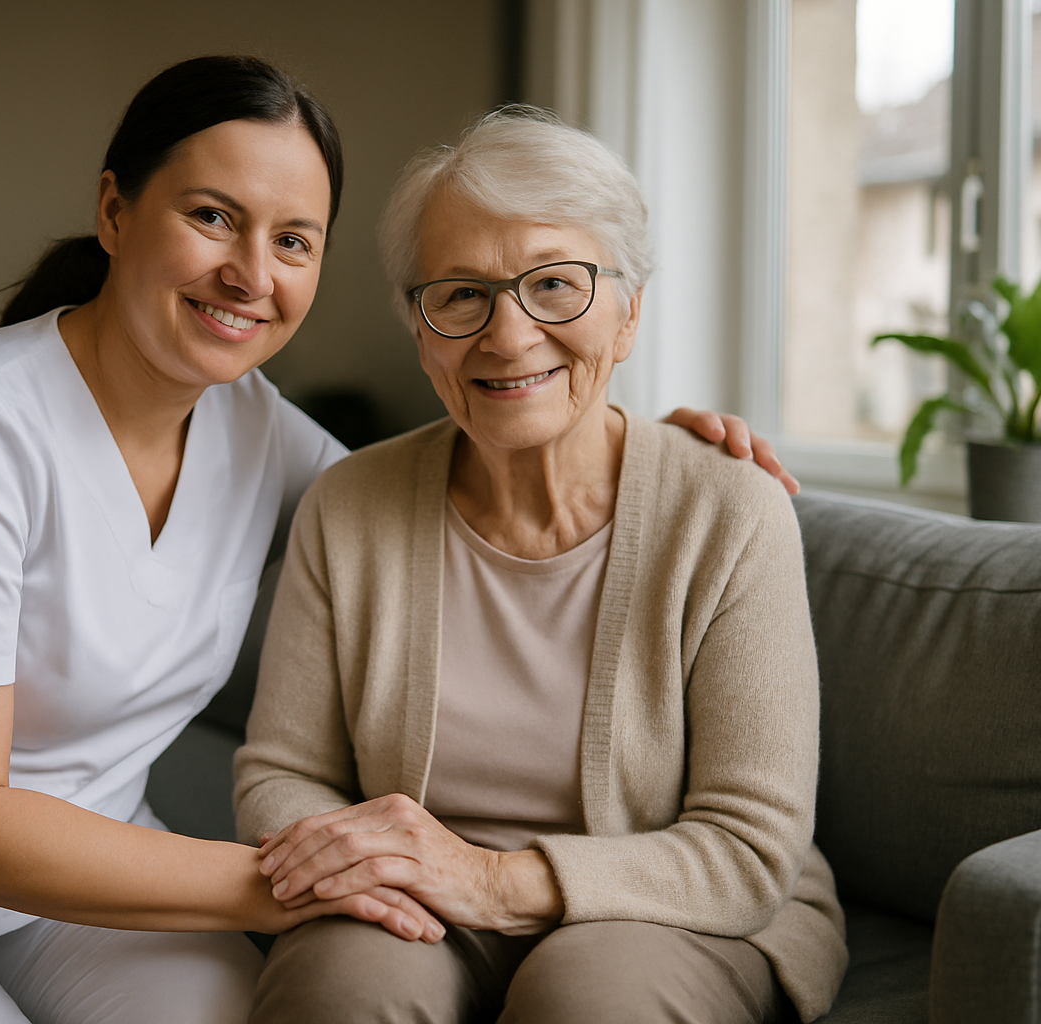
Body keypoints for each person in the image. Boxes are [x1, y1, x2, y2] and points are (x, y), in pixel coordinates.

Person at [0, 57, 791, 1024]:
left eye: (293, 239)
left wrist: (650, 444)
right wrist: (297, 879)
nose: (252, 273)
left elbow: (452, 471)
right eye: (211, 216)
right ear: (115, 211)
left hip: (82, 892)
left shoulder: (268, 439)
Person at [234, 107, 848, 1024]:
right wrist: (389, 870)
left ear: (629, 311)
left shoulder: (728, 508)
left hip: (671, 913)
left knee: (589, 999)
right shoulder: (349, 504)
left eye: (556, 285)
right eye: (461, 294)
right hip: (418, 906)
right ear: (418, 323)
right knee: (335, 994)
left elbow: (749, 849)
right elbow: (280, 773)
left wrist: (492, 879)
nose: (510, 337)